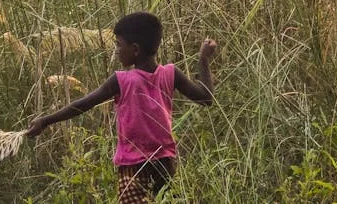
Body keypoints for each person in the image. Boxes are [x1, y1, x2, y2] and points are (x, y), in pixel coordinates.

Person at [26, 12, 217, 202]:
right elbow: (206, 98)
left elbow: (82, 104)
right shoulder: (170, 73)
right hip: (165, 164)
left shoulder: (122, 80)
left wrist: (46, 120)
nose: (116, 50)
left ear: (135, 49)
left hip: (133, 167)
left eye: (119, 44)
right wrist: (203, 59)